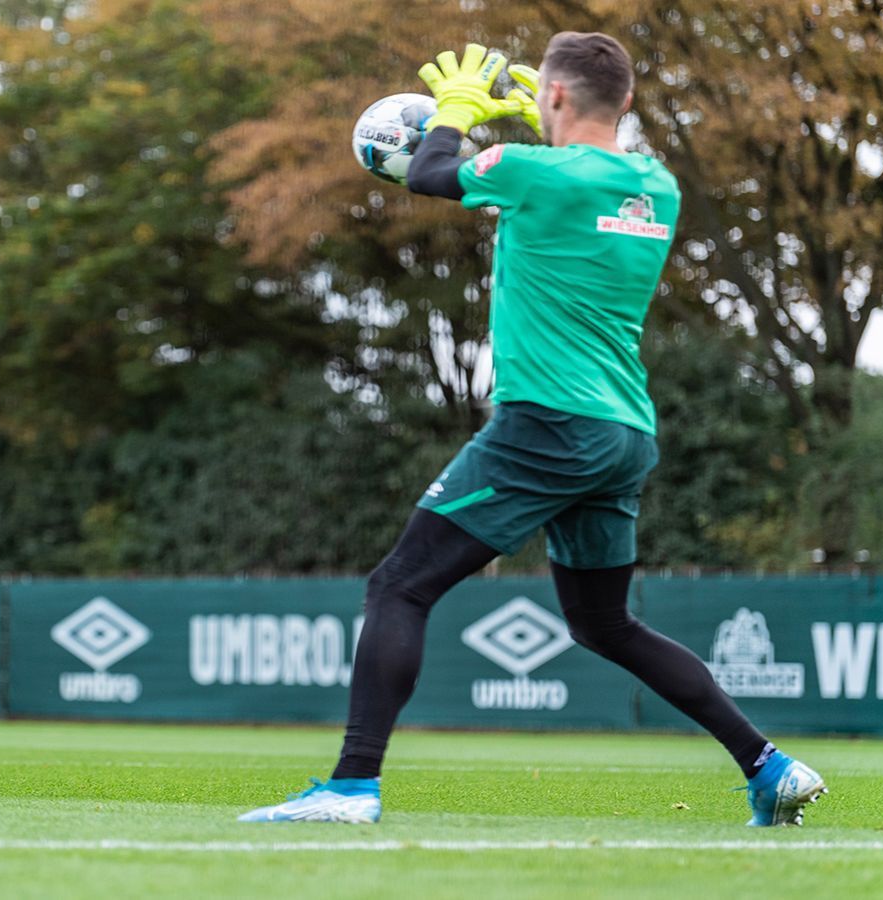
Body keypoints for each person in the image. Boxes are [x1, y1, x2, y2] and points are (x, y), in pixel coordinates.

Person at [239, 34, 825, 827]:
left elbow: (429, 172)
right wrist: (536, 115)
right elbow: (586, 162)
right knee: (603, 623)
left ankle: (350, 787)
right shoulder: (657, 185)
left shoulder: (530, 173)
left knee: (399, 586)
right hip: (623, 433)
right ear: (624, 103)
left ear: (553, 97)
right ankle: (769, 766)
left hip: (548, 422)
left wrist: (456, 111)